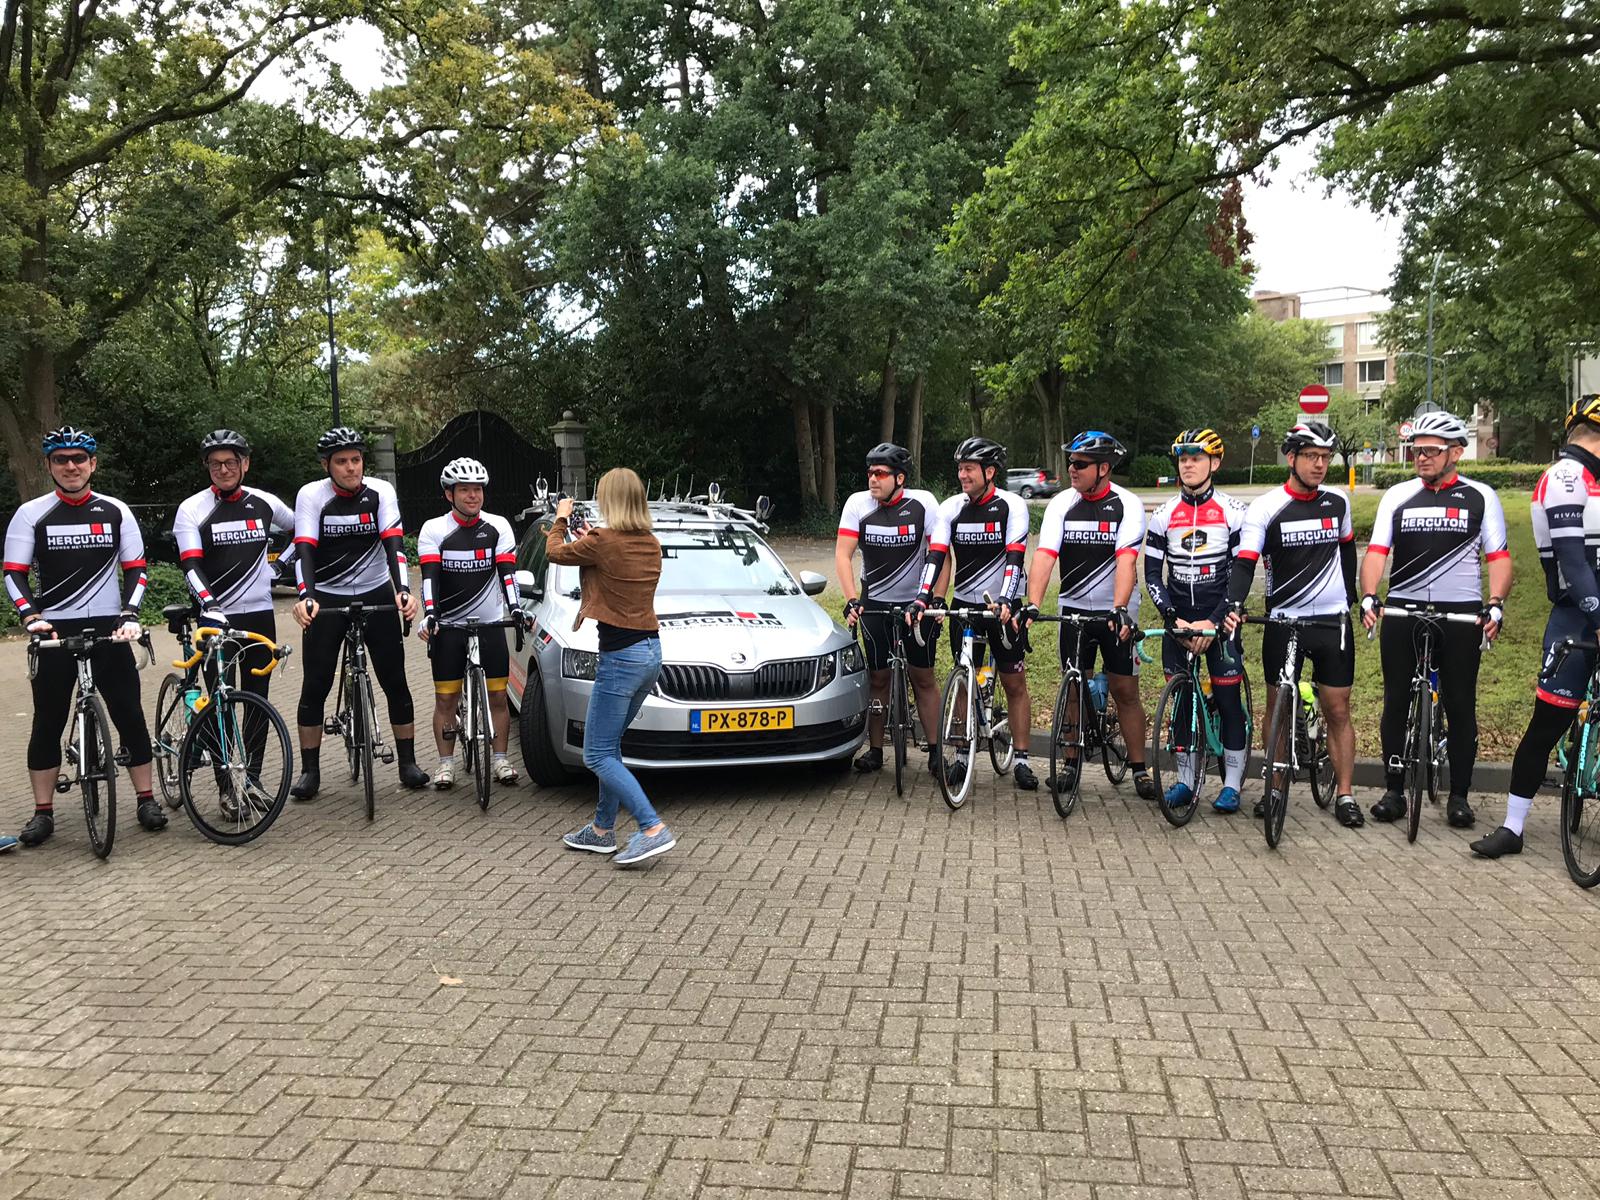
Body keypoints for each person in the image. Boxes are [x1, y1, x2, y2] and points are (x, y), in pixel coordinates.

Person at [3, 426, 164, 846]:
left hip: (111, 627)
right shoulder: (31, 513)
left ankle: (146, 798)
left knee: (128, 712)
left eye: (79, 458)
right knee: (48, 720)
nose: (71, 466)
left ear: (93, 463)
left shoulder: (116, 510)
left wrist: (130, 614)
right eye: (61, 459)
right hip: (54, 628)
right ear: (49, 465)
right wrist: (30, 616)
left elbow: (136, 569)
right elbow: (14, 574)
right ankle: (43, 812)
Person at [1360, 410, 1510, 830]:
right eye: (1416, 450)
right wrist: (1369, 595)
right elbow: (1376, 554)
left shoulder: (1481, 496)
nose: (1421, 457)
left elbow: (1499, 558)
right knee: (1395, 700)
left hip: (1460, 614)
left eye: (1430, 450)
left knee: (1460, 703)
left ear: (1456, 452)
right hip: (1404, 610)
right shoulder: (1398, 495)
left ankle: (1459, 796)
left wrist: (1495, 603)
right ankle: (1394, 790)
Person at [1472, 396, 1600, 859]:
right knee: (1547, 724)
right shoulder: (1565, 477)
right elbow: (1572, 562)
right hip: (1577, 615)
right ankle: (1513, 826)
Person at [1222, 420, 1363, 829]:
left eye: (1326, 457)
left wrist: (1350, 598)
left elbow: (1347, 551)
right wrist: (1235, 603)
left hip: (1331, 622)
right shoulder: (1266, 507)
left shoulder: (1337, 502)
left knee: (1337, 708)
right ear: (1291, 458)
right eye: (1312, 456)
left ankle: (1345, 794)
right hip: (1284, 620)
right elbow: (1245, 563)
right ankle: (1276, 786)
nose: (1320, 465)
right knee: (1278, 706)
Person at [289, 426, 428, 799]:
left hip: (375, 589)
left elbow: (395, 546)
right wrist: (306, 597)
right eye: (342, 461)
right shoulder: (312, 495)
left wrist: (403, 591)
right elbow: (304, 551)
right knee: (315, 683)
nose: (351, 468)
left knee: (395, 680)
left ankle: (408, 763)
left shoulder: (381, 492)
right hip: (327, 595)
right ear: (327, 465)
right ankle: (310, 771)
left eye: (356, 460)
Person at [553, 468, 676, 866]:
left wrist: (560, 519)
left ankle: (651, 827)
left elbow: (555, 552)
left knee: (596, 754)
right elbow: (612, 561)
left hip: (620, 659)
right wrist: (589, 536)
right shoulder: (650, 543)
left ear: (611, 500)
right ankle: (602, 829)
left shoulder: (603, 541)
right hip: (651, 653)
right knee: (610, 746)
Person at [1026, 430, 1155, 800]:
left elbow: (1126, 560)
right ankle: (1070, 764)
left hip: (1117, 610)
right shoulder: (1061, 504)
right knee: (1073, 686)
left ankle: (1140, 769)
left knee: (1124, 690)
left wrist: (1120, 608)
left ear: (1103, 468)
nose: (1072, 469)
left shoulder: (1127, 504)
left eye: (1081, 464)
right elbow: (1045, 556)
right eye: (1071, 462)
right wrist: (1033, 603)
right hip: (1074, 608)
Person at [909, 437, 1036, 790]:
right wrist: (923, 597)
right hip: (965, 604)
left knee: (1013, 682)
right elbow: (935, 555)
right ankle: (963, 755)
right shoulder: (951, 507)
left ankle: (1022, 759)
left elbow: (1015, 558)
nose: (962, 475)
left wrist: (1007, 600)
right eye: (960, 469)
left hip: (1002, 605)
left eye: (969, 469)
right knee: (964, 678)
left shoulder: (1011, 505)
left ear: (989, 472)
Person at [1144, 428, 1251, 813]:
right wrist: (1173, 619)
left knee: (1228, 700)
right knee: (1181, 703)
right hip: (1179, 623)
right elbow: (1152, 575)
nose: (1187, 465)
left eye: (1196, 458)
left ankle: (1232, 785)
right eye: (1183, 459)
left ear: (1215, 463)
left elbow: (1240, 573)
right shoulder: (1162, 515)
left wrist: (1214, 620)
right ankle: (1186, 782)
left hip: (1220, 620)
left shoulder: (1234, 512)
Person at [835, 443, 947, 775]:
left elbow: (942, 556)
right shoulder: (858, 504)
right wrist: (851, 599)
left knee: (922, 677)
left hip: (917, 604)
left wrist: (937, 598)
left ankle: (936, 751)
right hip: (875, 604)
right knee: (878, 677)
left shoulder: (923, 503)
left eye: (880, 473)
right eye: (870, 472)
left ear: (900, 478)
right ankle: (875, 749)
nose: (873, 479)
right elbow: (843, 554)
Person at [415, 457, 524, 790]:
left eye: (477, 489)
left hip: (489, 624)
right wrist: (430, 613)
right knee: (446, 700)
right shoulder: (434, 529)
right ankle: (445, 763)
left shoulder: (498, 526)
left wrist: (516, 609)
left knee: (499, 697)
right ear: (449, 494)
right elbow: (429, 577)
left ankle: (500, 759)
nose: (473, 496)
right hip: (449, 625)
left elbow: (508, 574)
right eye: (464, 490)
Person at [171, 429, 296, 712]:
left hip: (260, 614)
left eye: (230, 462)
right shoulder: (192, 508)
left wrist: (279, 566)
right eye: (215, 463)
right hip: (216, 617)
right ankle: (214, 742)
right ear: (207, 466)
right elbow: (190, 565)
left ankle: (252, 749)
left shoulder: (265, 502)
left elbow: (302, 533)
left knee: (258, 703)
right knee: (220, 704)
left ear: (245, 463)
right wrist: (211, 606)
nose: (223, 470)